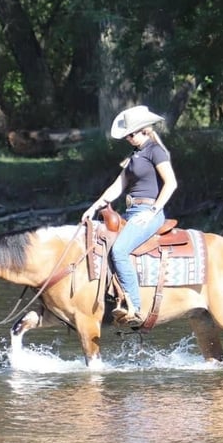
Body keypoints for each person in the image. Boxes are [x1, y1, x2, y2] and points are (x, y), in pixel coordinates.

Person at [81, 105, 178, 326]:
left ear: (144, 130)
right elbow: (117, 186)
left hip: (148, 211)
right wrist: (94, 207)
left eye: (131, 133)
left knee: (120, 250)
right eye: (127, 134)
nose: (128, 137)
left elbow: (171, 183)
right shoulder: (136, 155)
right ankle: (109, 296)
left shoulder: (155, 151)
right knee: (101, 244)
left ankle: (134, 305)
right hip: (131, 211)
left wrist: (153, 211)